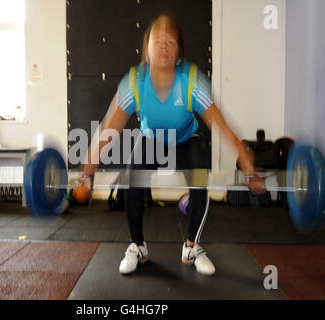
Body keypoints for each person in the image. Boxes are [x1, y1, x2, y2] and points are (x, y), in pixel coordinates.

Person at [81, 13, 265, 276]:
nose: (164, 46)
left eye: (170, 42)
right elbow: (108, 129)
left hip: (185, 139)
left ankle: (191, 246)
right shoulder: (134, 83)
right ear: (147, 50)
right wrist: (86, 172)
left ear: (179, 54)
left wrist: (249, 169)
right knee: (132, 177)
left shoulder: (191, 81)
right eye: (158, 41)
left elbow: (222, 127)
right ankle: (137, 246)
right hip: (151, 140)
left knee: (200, 171)